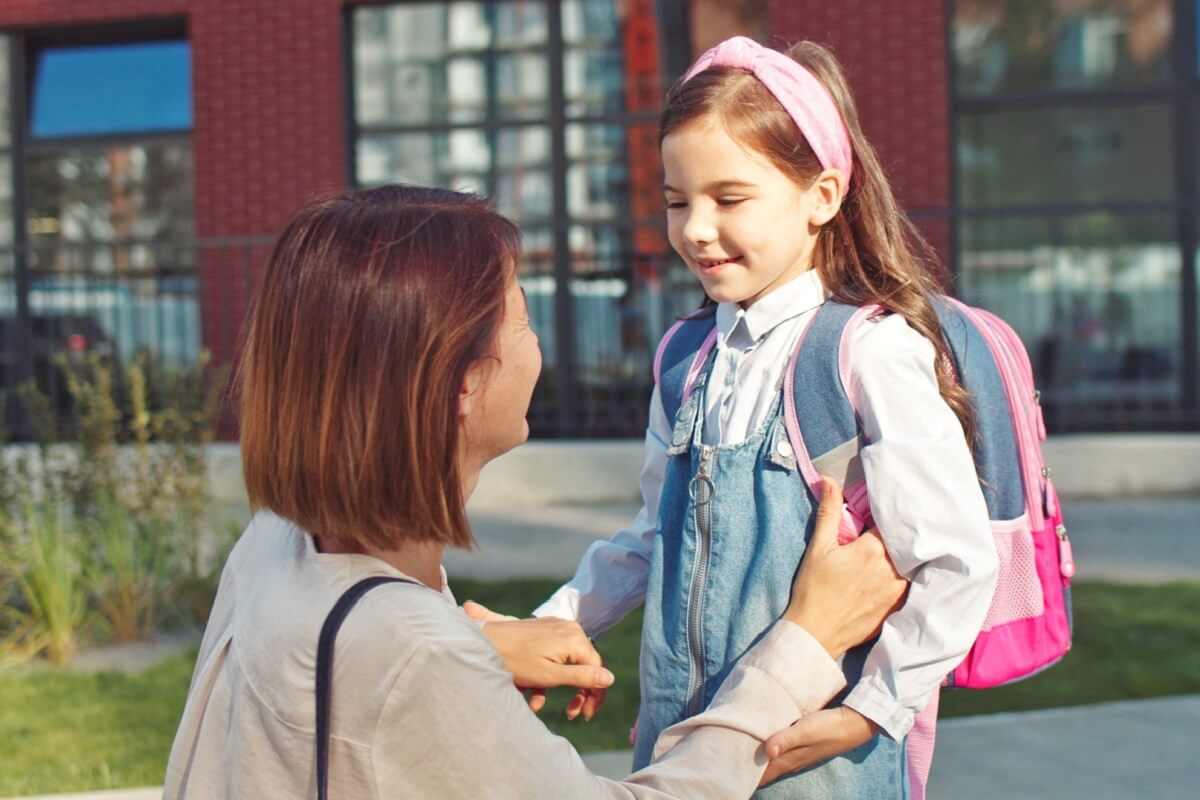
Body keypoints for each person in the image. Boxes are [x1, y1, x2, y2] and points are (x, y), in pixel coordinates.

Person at [162, 184, 906, 799]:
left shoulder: (277, 541)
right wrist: (802, 649)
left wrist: (477, 639)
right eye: (521, 319)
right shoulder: (412, 657)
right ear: (463, 385)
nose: (537, 343)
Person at [531, 37, 1000, 798]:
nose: (696, 230)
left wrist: (872, 710)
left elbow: (954, 562)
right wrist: (559, 623)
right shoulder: (686, 358)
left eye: (730, 198)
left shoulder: (865, 354)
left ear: (822, 195)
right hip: (683, 752)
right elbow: (656, 535)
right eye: (677, 202)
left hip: (813, 758)